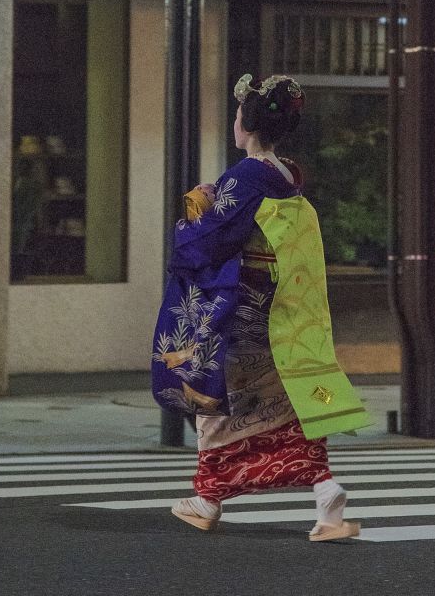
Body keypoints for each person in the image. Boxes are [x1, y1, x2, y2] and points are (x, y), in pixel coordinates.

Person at [151, 73, 371, 542]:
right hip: (282, 307)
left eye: (236, 115)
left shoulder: (247, 175)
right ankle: (327, 496)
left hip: (245, 312)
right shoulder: (288, 174)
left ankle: (207, 498)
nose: (234, 122)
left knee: (216, 394)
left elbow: (212, 240)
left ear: (246, 124)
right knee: (286, 402)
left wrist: (193, 214)